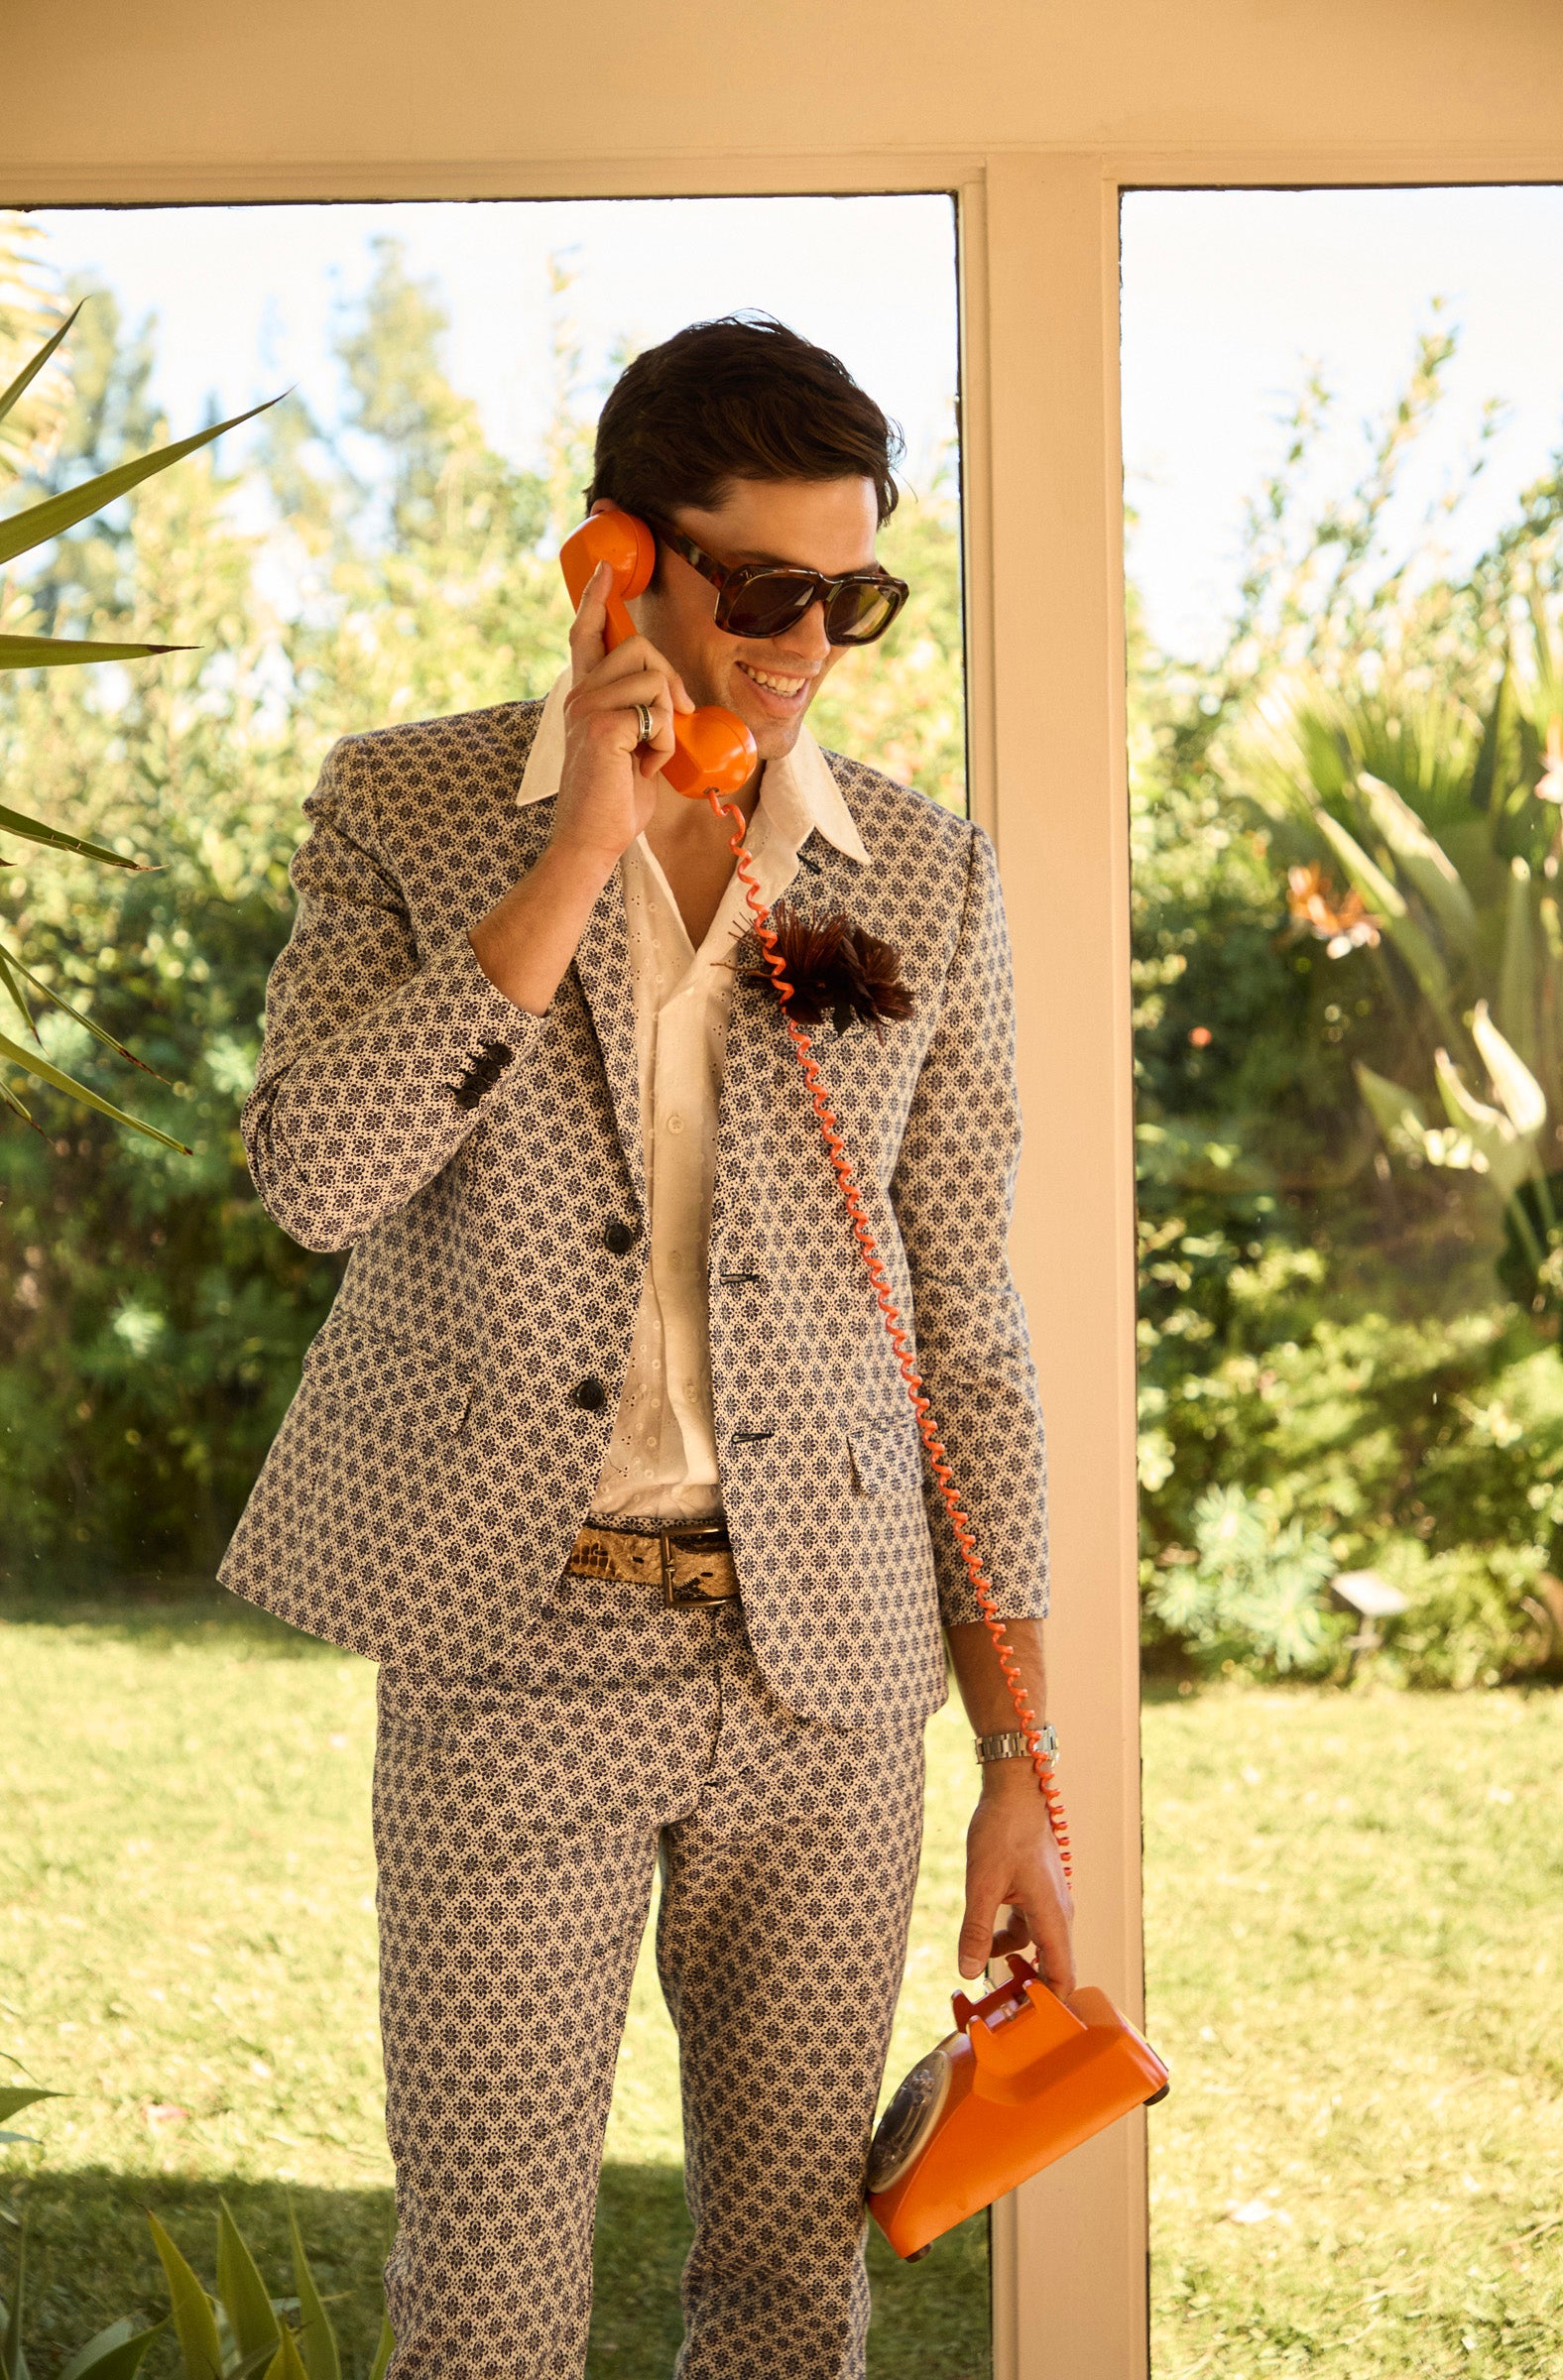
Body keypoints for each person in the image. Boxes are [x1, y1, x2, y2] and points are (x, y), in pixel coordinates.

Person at [220, 312, 1073, 2380]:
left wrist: (1021, 1759)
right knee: (488, 2300)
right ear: (620, 557)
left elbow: (967, 1335)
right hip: (513, 1657)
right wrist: (578, 852)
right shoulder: (411, 810)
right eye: (762, 588)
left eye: (848, 594)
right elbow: (312, 1176)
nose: (805, 643)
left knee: (789, 2288)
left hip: (825, 1678)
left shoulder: (929, 878)